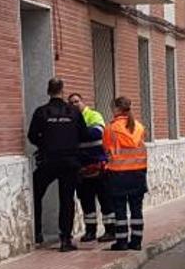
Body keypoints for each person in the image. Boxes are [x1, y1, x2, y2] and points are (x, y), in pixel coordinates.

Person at [28, 78, 89, 252]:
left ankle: (37, 233)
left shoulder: (41, 112)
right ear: (62, 91)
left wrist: (45, 144)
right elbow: (84, 135)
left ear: (48, 91)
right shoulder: (73, 111)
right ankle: (65, 240)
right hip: (70, 161)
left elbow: (32, 136)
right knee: (67, 200)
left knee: (35, 193)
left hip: (48, 160)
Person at [68, 93, 115, 243]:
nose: (74, 105)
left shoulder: (93, 115)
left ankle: (110, 230)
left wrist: (77, 133)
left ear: (83, 102)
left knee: (105, 200)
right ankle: (90, 231)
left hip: (99, 165)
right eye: (71, 103)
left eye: (77, 101)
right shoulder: (71, 119)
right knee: (87, 202)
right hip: (82, 169)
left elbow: (97, 133)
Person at [103, 96, 148, 251]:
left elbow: (107, 150)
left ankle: (121, 241)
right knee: (136, 209)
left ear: (116, 109)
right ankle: (136, 241)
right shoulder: (140, 127)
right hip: (138, 173)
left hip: (118, 174)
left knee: (120, 209)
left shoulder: (111, 128)